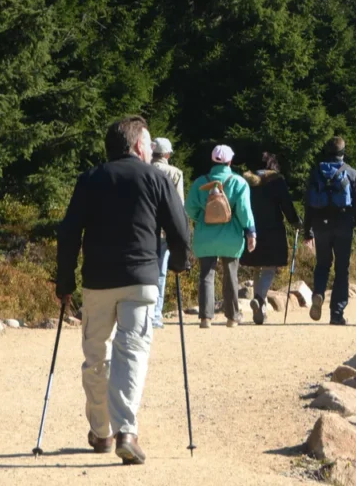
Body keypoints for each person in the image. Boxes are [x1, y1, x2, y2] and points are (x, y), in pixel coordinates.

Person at [56, 116, 191, 465]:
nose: (148, 150)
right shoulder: (155, 178)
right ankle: (127, 432)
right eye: (146, 144)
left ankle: (101, 433)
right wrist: (180, 261)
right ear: (137, 146)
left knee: (95, 357)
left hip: (97, 282)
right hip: (141, 280)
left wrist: (65, 281)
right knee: (132, 352)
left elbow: (69, 232)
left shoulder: (89, 180)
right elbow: (179, 227)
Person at [185, 145, 256, 328]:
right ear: (230, 161)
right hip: (231, 236)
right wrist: (250, 232)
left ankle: (205, 318)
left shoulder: (200, 182)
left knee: (206, 275)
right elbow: (244, 211)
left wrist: (202, 218)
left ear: (212, 160)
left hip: (205, 236)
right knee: (231, 274)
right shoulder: (238, 182)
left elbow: (189, 209)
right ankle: (232, 317)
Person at [304, 137, 356, 325]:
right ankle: (337, 314)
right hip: (343, 225)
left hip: (320, 224)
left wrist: (307, 230)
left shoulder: (316, 172)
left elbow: (308, 203)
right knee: (342, 269)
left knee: (322, 264)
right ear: (343, 153)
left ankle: (318, 293)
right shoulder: (351, 173)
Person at [241, 152, 302, 325]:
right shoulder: (276, 181)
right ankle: (260, 299)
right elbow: (286, 205)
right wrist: (295, 222)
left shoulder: (246, 181)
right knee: (269, 268)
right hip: (272, 230)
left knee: (256, 267)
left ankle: (260, 310)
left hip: (250, 229)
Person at [149, 138, 185, 330]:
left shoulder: (142, 169)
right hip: (164, 231)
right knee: (161, 272)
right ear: (168, 154)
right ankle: (156, 315)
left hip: (143, 229)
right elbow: (179, 207)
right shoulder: (175, 174)